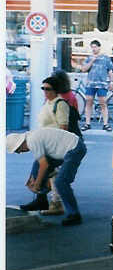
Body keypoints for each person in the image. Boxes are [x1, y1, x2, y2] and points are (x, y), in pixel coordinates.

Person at [7, 128, 86, 225]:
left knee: (61, 182)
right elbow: (41, 163)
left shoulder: (32, 141)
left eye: (17, 150)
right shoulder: (30, 137)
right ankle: (41, 201)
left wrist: (37, 184)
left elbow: (44, 165)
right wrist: (33, 177)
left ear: (20, 144)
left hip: (75, 149)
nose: (19, 152)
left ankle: (75, 215)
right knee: (37, 164)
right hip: (67, 147)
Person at [31, 75, 83, 215]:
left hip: (60, 146)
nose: (45, 91)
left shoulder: (60, 104)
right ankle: (49, 200)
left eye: (47, 89)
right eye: (43, 88)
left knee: (58, 178)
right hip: (52, 144)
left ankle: (56, 203)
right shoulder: (49, 103)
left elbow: (63, 128)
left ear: (55, 89)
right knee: (50, 174)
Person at [79, 39, 113, 131]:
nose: (93, 49)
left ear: (99, 47)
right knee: (89, 102)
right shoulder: (89, 58)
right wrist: (92, 61)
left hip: (102, 84)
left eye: (95, 47)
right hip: (91, 84)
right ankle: (87, 123)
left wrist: (112, 82)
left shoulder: (106, 58)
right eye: (92, 47)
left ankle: (105, 124)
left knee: (103, 103)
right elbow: (84, 69)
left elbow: (110, 71)